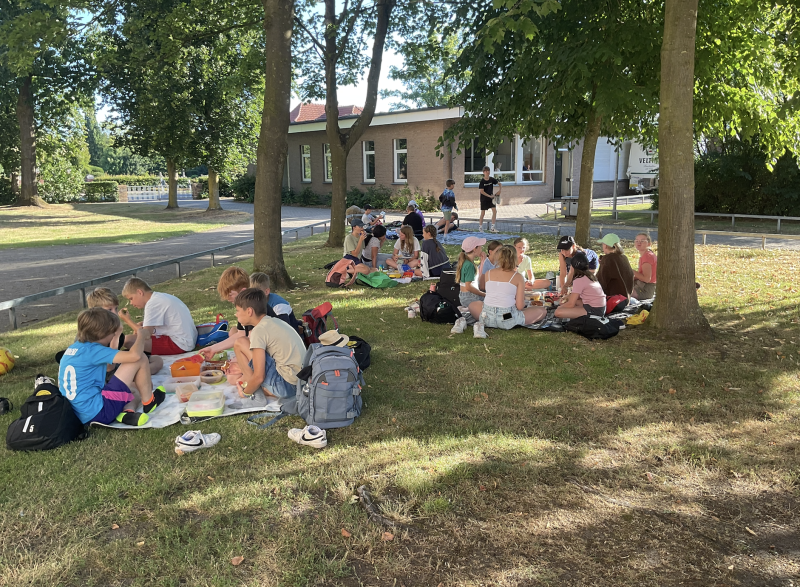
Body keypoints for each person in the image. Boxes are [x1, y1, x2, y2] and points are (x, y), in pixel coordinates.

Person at [58, 307, 165, 427]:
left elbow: (110, 367)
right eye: (113, 332)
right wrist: (141, 335)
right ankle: (149, 401)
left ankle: (127, 412)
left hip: (80, 415)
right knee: (140, 358)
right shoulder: (94, 350)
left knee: (133, 391)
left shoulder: (74, 348)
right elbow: (134, 356)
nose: (114, 334)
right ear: (102, 333)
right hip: (99, 411)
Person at [453, 245, 547, 338]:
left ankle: (470, 322)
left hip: (487, 317)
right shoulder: (518, 277)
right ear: (514, 259)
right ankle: (504, 320)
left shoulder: (489, 273)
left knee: (473, 305)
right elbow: (520, 306)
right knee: (542, 311)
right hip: (507, 317)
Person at [232, 289, 305, 407]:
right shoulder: (274, 322)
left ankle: (255, 397)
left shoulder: (259, 331)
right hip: (300, 383)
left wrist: (246, 393)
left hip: (287, 386)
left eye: (238, 310)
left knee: (240, 343)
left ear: (249, 311)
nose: (236, 314)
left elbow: (259, 376)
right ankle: (259, 390)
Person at [85, 287, 163, 375]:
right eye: (109, 310)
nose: (115, 313)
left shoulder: (113, 331)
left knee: (156, 360)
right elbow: (108, 367)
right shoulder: (92, 335)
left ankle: (138, 374)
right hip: (100, 374)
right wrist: (115, 336)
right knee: (138, 367)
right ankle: (137, 375)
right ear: (96, 312)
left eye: (116, 309)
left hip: (114, 365)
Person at [122, 277, 197, 355]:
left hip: (180, 344)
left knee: (127, 340)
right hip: (188, 339)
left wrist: (128, 320)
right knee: (137, 334)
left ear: (140, 292)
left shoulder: (152, 304)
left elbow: (146, 335)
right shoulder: (159, 297)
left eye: (131, 298)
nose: (131, 303)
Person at [555, 251, 607, 319]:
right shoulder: (589, 275)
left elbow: (571, 304)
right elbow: (577, 296)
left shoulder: (579, 279)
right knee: (571, 303)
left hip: (594, 311)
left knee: (558, 312)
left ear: (573, 268)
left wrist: (559, 307)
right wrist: (568, 297)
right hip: (599, 307)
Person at [596, 233, 634, 301]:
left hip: (613, 300)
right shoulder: (624, 257)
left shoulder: (608, 259)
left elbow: (600, 282)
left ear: (605, 246)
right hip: (626, 298)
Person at [455, 236, 486, 309]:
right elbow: (468, 286)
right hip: (470, 297)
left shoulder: (466, 262)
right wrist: (483, 294)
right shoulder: (469, 265)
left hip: (465, 296)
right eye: (480, 247)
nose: (481, 249)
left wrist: (482, 262)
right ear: (475, 249)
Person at [632, 233, 657, 299]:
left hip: (645, 290)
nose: (639, 243)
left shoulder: (647, 256)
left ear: (649, 244)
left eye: (642, 241)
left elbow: (646, 279)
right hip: (641, 285)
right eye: (637, 241)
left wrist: (631, 271)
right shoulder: (646, 255)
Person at [478, 166, 501, 233]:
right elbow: (481, 191)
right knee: (483, 213)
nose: (488, 173)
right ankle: (480, 228)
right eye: (486, 172)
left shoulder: (491, 179)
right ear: (484, 172)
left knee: (494, 211)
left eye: (488, 171)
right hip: (484, 199)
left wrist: (500, 191)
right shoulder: (482, 182)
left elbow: (500, 184)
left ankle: (492, 228)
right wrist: (489, 196)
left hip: (491, 198)